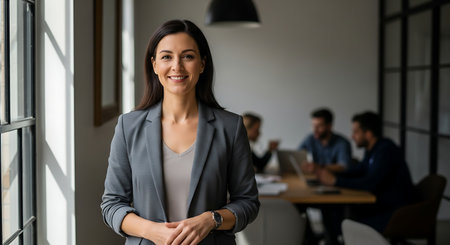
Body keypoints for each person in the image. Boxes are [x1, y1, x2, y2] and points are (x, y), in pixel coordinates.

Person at [101, 20, 259, 245]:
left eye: (188, 56)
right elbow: (111, 205)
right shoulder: (128, 126)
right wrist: (150, 230)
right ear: (154, 65)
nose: (177, 66)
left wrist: (210, 219)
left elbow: (248, 203)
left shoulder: (230, 127)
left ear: (202, 64)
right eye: (167, 57)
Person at [317, 112, 414, 234]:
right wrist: (332, 175)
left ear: (368, 134)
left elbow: (370, 183)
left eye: (356, 132)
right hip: (379, 204)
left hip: (394, 212)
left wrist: (336, 181)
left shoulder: (385, 151)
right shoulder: (372, 150)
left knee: (343, 220)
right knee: (331, 208)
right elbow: (359, 171)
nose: (352, 136)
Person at [298, 108, 352, 175]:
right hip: (314, 178)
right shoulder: (310, 139)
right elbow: (296, 155)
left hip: (334, 181)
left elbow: (344, 166)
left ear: (329, 126)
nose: (315, 130)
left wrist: (319, 167)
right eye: (313, 126)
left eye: (319, 126)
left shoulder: (342, 143)